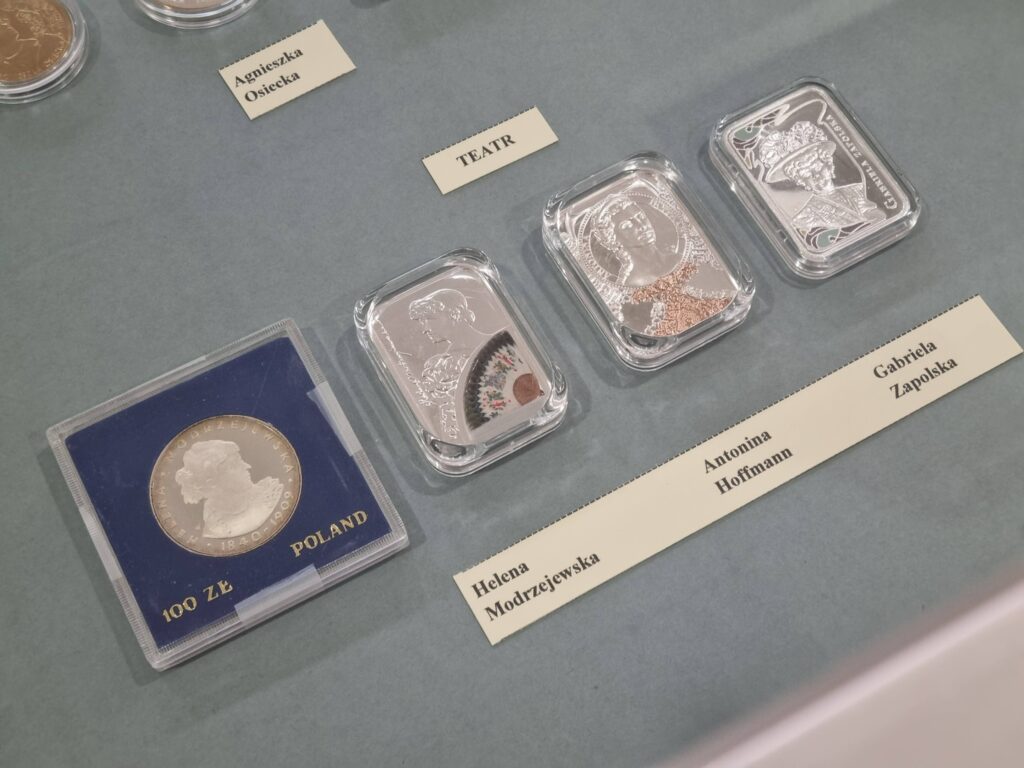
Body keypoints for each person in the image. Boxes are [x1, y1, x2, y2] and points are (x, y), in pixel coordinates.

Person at [758, 120, 885, 230]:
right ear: (799, 181)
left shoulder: (860, 190)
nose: (816, 175)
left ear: (828, 164)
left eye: (818, 167)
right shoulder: (805, 218)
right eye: (806, 173)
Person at [175, 440, 283, 538]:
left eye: (240, 461)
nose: (247, 466)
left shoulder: (270, 493)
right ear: (212, 482)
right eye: (234, 465)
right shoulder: (214, 526)